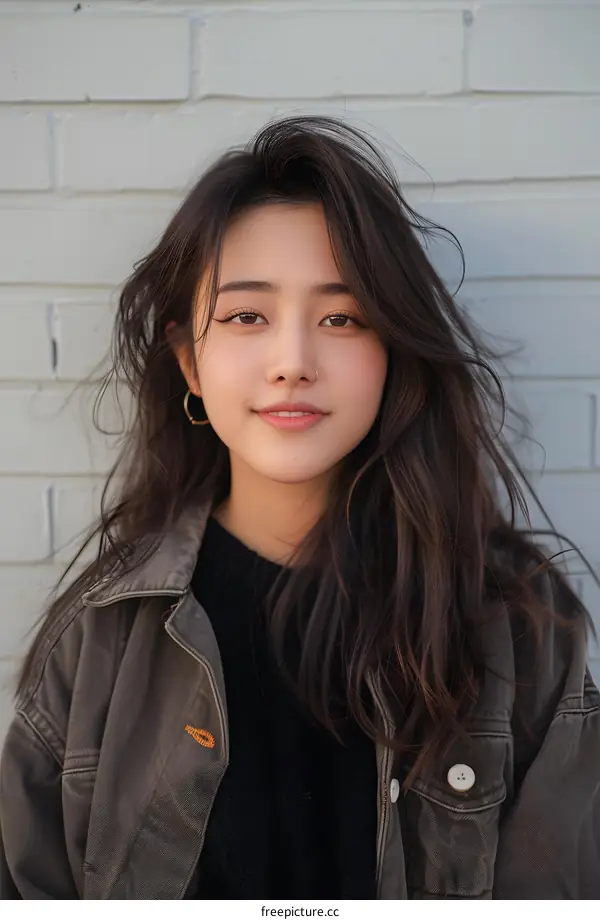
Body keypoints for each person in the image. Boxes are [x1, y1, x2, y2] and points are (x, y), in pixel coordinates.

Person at [1, 116, 599, 901]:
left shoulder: (516, 625)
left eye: (342, 318)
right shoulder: (101, 638)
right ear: (189, 359)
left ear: (394, 352)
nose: (293, 363)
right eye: (247, 316)